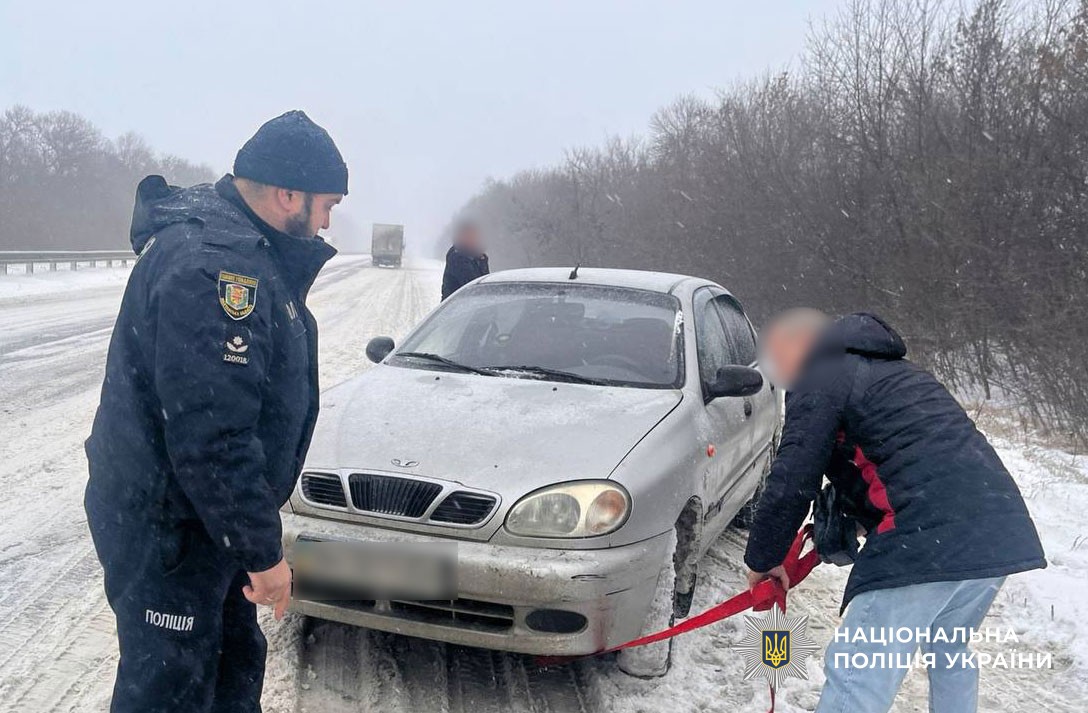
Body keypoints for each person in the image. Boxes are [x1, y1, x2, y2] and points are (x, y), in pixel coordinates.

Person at [84, 110, 348, 713]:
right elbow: (213, 434)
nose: (329, 222)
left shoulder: (244, 247)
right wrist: (263, 554)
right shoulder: (216, 266)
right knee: (170, 689)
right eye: (327, 205)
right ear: (288, 195)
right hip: (169, 530)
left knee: (230, 665)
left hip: (201, 521)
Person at [744, 309, 1045, 713]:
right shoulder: (903, 375)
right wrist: (849, 518)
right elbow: (907, 462)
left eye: (777, 355)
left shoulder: (820, 376)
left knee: (858, 673)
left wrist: (763, 558)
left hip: (925, 538)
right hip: (998, 531)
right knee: (949, 650)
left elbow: (792, 477)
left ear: (803, 344)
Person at [441, 219, 489, 300]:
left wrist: (482, 261)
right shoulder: (457, 256)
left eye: (474, 236)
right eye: (469, 236)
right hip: (457, 304)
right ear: (461, 237)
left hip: (471, 303)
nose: (473, 239)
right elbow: (472, 284)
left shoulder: (475, 256)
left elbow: (484, 282)